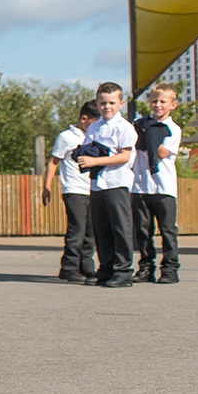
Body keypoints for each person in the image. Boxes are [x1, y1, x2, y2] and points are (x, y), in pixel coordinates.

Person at [75, 82, 137, 288]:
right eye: (102, 103)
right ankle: (106, 267)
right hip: (97, 184)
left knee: (120, 227)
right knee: (101, 229)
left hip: (116, 183)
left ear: (121, 103)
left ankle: (124, 270)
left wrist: (95, 161)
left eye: (111, 102)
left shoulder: (124, 127)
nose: (106, 107)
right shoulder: (94, 127)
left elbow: (125, 156)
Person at [44, 102, 100, 284]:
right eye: (93, 121)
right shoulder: (66, 137)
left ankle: (86, 266)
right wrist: (47, 186)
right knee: (77, 229)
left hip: (92, 188)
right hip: (74, 189)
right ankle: (69, 267)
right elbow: (54, 161)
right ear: (84, 118)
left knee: (91, 230)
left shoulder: (94, 135)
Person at [132, 84, 183, 284]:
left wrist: (149, 131)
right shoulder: (139, 125)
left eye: (162, 101)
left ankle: (170, 268)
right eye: (154, 101)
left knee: (167, 229)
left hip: (163, 186)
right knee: (143, 230)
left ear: (173, 105)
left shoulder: (172, 129)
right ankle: (146, 267)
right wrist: (144, 130)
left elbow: (161, 152)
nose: (157, 105)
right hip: (141, 185)